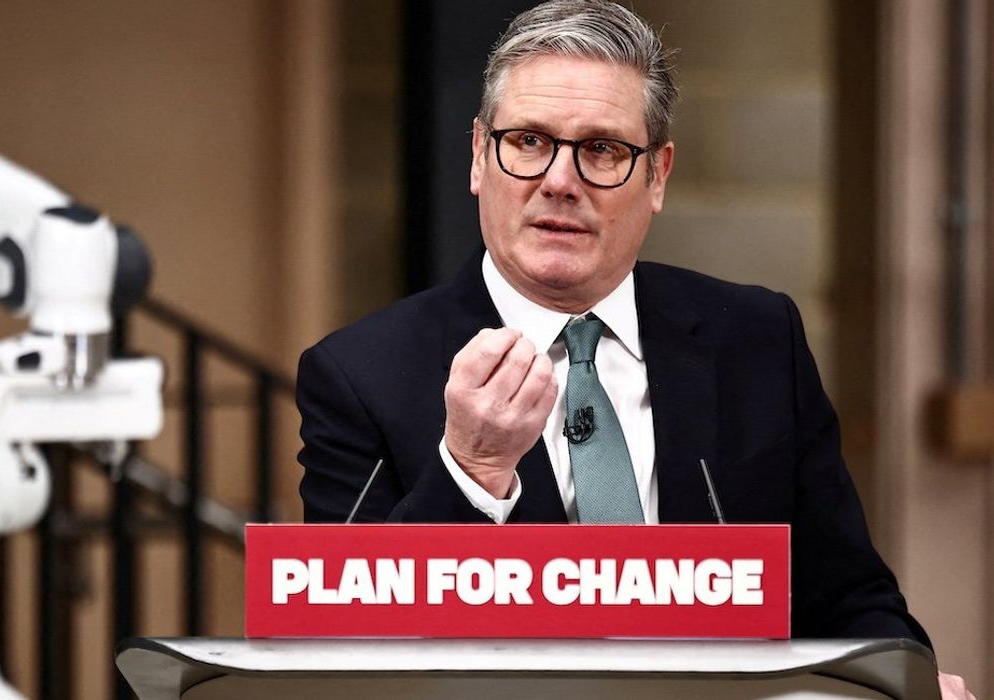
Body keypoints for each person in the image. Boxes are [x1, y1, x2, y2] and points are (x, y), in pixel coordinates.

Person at [296, 1, 972, 696]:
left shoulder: (756, 338)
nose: (560, 181)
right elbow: (340, 653)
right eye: (527, 141)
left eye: (602, 150)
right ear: (478, 156)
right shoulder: (358, 375)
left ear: (657, 177)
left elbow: (847, 596)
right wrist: (472, 470)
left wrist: (907, 681)